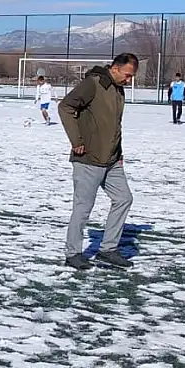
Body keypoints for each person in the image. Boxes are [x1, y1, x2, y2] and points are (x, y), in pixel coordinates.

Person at [58, 53, 139, 270]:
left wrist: (118, 155)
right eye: (127, 75)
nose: (129, 80)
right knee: (83, 207)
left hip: (112, 160)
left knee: (124, 199)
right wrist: (77, 141)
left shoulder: (117, 89)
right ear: (114, 68)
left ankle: (108, 249)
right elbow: (65, 107)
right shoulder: (93, 84)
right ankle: (73, 253)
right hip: (89, 159)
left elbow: (114, 126)